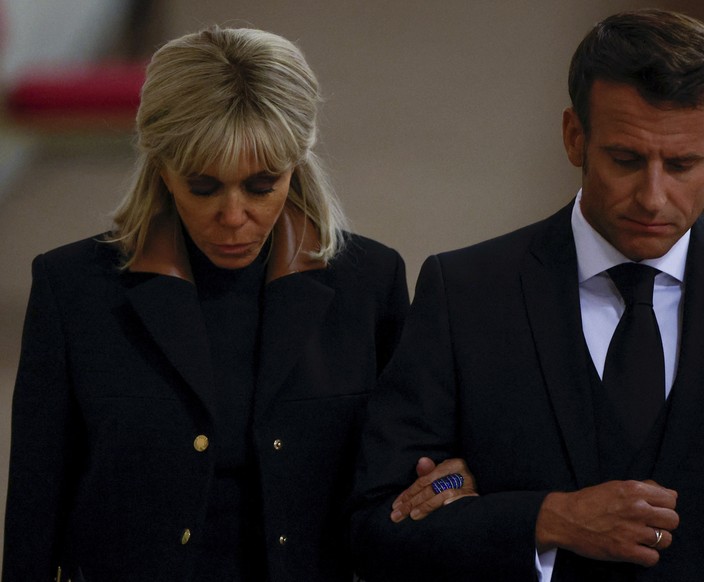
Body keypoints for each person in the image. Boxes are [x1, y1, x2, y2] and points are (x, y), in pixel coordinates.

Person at [350, 9, 704, 581]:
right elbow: (375, 531)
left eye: (682, 164)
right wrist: (546, 519)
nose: (653, 198)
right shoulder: (465, 294)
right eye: (626, 160)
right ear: (574, 136)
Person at [2, 25, 424, 582]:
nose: (232, 216)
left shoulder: (370, 283)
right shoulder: (72, 289)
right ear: (161, 167)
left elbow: (399, 480)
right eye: (203, 187)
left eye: (261, 186)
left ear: (295, 165)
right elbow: (36, 504)